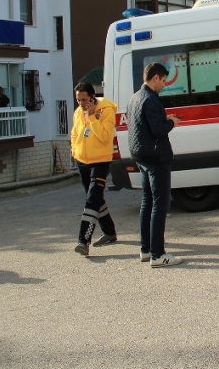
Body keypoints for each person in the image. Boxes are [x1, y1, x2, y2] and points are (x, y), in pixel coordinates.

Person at [127, 62, 182, 268]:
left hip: (141, 156)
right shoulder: (150, 99)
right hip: (156, 156)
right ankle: (158, 254)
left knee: (147, 203)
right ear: (155, 78)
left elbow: (145, 124)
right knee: (160, 204)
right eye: (164, 79)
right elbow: (158, 130)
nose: (165, 84)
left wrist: (163, 120)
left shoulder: (135, 98)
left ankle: (146, 249)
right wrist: (172, 123)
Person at [70, 82, 118, 257]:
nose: (81, 103)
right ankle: (109, 232)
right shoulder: (77, 113)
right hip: (83, 161)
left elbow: (106, 137)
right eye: (78, 100)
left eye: (84, 99)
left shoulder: (106, 110)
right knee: (95, 198)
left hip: (100, 161)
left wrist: (91, 117)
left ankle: (83, 241)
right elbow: (75, 133)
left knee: (92, 199)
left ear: (92, 97)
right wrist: (75, 151)